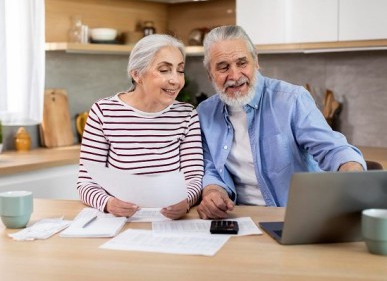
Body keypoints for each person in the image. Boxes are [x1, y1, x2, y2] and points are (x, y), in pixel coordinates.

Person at [196, 25, 366, 219]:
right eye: (223, 67)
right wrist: (213, 192)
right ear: (210, 74)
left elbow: (332, 149)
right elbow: (210, 168)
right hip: (238, 217)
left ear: (256, 62)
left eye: (242, 63)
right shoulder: (205, 113)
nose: (235, 76)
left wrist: (351, 171)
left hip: (295, 216)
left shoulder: (291, 100)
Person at [77, 34, 203, 220]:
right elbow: (86, 183)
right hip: (121, 221)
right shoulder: (103, 112)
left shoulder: (186, 115)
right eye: (164, 70)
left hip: (170, 222)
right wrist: (108, 204)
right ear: (136, 74)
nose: (176, 80)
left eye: (180, 70)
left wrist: (185, 201)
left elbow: (194, 177)